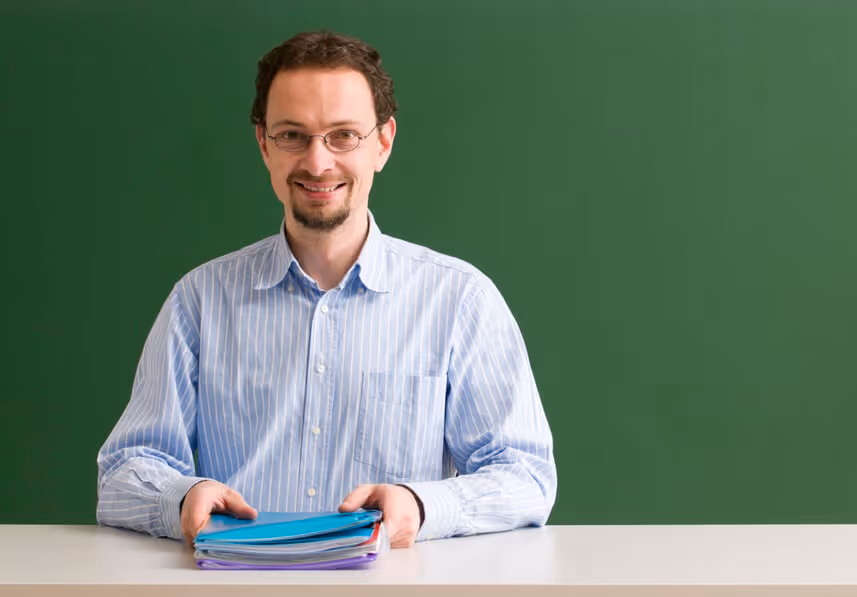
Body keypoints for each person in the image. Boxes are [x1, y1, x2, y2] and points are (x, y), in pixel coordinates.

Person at [96, 30, 556, 549]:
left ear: (382, 142)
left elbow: (526, 477)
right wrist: (181, 496)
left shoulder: (460, 301)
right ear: (263, 144)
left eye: (343, 135)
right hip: (240, 583)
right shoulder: (199, 301)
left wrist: (423, 506)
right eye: (293, 135)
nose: (317, 163)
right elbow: (122, 475)